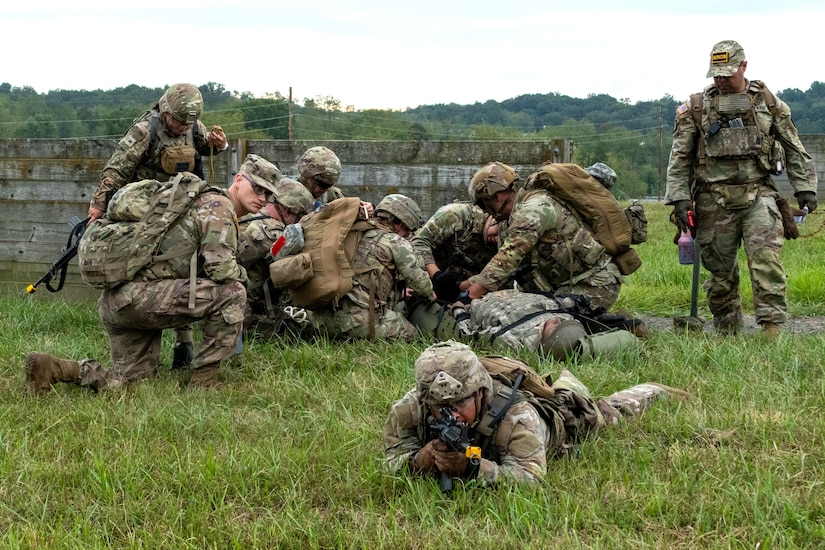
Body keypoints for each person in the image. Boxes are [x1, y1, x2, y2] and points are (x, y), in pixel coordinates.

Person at [24, 154, 281, 395]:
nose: (262, 197)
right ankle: (205, 381)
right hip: (142, 300)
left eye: (268, 194)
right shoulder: (219, 206)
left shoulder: (194, 199)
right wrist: (243, 275)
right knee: (233, 291)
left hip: (119, 301)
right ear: (238, 180)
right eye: (257, 188)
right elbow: (221, 269)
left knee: (132, 386)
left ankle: (54, 369)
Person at [666, 40, 819, 335]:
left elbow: (794, 148)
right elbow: (679, 158)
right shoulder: (695, 108)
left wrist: (805, 188)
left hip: (758, 194)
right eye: (717, 74)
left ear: (744, 66)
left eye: (728, 73)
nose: (722, 80)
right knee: (720, 273)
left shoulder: (768, 103)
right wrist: (680, 200)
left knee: (766, 263)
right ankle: (728, 332)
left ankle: (771, 332)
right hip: (712, 199)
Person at [384, 340, 688, 485]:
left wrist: (474, 468)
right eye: (441, 409)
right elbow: (391, 460)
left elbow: (531, 478)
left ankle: (650, 389)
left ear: (480, 392)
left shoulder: (519, 418)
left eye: (459, 404)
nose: (450, 415)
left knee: (596, 411)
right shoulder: (410, 409)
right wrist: (418, 461)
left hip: (557, 421)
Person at [87, 83, 229, 367]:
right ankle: (141, 338)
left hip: (182, 210)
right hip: (147, 213)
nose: (182, 127)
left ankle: (184, 344)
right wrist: (99, 205)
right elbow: (116, 170)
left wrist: (220, 144)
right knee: (153, 273)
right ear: (165, 111)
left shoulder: (191, 126)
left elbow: (205, 146)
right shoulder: (144, 131)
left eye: (187, 122)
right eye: (178, 121)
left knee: (187, 265)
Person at [465, 161, 623, 310]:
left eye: (483, 204)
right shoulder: (510, 222)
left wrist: (470, 295)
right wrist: (464, 286)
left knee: (542, 318)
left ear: (497, 197)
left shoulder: (534, 209)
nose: (484, 211)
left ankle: (623, 326)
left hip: (595, 285)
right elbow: (501, 272)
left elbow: (507, 260)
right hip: (565, 288)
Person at [310, 194, 434, 342]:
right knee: (411, 334)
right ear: (400, 225)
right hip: (356, 323)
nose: (406, 236)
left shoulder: (350, 231)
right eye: (407, 231)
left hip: (320, 320)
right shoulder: (395, 241)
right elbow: (423, 287)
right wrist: (431, 296)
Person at [408, 289, 643, 360]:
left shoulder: (514, 342)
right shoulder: (567, 317)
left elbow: (470, 336)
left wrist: (459, 310)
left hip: (480, 304)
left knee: (424, 313)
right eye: (559, 321)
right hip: (503, 292)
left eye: (555, 325)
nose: (555, 320)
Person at [237, 176, 315, 338]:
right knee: (308, 332)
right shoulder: (273, 234)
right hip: (247, 313)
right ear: (287, 210)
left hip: (228, 305)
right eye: (300, 216)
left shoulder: (249, 215)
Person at [410, 202, 499, 302]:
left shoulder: (506, 247)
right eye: (498, 232)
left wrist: (461, 287)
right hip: (427, 278)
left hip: (463, 292)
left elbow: (498, 277)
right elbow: (420, 242)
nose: (496, 239)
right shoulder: (458, 214)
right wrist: (436, 275)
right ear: (494, 217)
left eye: (501, 238)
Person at [295, 145, 374, 215]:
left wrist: (367, 209)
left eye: (329, 185)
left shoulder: (332, 195)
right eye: (323, 185)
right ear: (307, 176)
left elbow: (351, 209)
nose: (326, 190)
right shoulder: (288, 196)